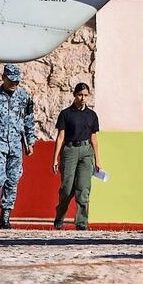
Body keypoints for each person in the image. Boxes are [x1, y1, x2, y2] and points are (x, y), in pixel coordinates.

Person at [0, 63, 36, 229]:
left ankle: (5, 217)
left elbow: (29, 119)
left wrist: (30, 141)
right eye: (11, 81)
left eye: (17, 81)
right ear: (3, 78)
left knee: (13, 180)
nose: (14, 84)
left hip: (16, 144)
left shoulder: (24, 97)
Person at [52, 83, 101, 230]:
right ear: (74, 95)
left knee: (83, 188)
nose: (83, 98)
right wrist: (55, 158)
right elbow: (60, 137)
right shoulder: (66, 114)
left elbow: (94, 139)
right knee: (67, 188)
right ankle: (60, 217)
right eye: (80, 95)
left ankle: (81, 222)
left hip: (86, 151)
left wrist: (98, 160)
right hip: (70, 150)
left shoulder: (92, 115)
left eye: (85, 95)